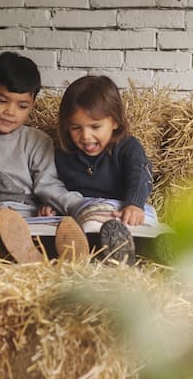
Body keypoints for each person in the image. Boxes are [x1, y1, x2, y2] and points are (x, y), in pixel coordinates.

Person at [0, 51, 89, 263]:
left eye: (22, 106)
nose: (10, 112)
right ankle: (26, 257)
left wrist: (76, 206)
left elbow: (48, 185)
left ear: (32, 105)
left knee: (57, 226)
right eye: (2, 100)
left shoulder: (37, 141)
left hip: (32, 220)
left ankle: (66, 259)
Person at [54, 75, 159, 265]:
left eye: (95, 126)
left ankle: (152, 254)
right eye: (76, 127)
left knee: (149, 226)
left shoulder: (128, 147)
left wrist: (134, 204)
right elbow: (57, 188)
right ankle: (105, 257)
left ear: (115, 122)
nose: (86, 136)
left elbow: (140, 175)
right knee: (83, 226)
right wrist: (51, 206)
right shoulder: (64, 156)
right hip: (89, 215)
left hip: (125, 211)